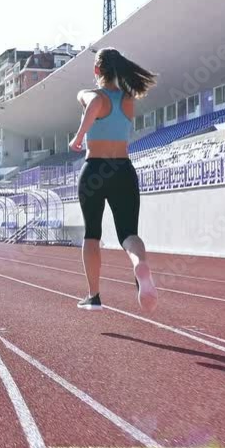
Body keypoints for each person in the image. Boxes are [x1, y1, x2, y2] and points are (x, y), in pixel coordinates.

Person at [69, 48, 159, 313]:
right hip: (123, 169)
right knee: (129, 233)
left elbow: (95, 106)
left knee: (92, 233)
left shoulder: (91, 95)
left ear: (97, 70)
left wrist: (77, 137)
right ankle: (138, 263)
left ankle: (94, 296)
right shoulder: (128, 99)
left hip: (95, 169)